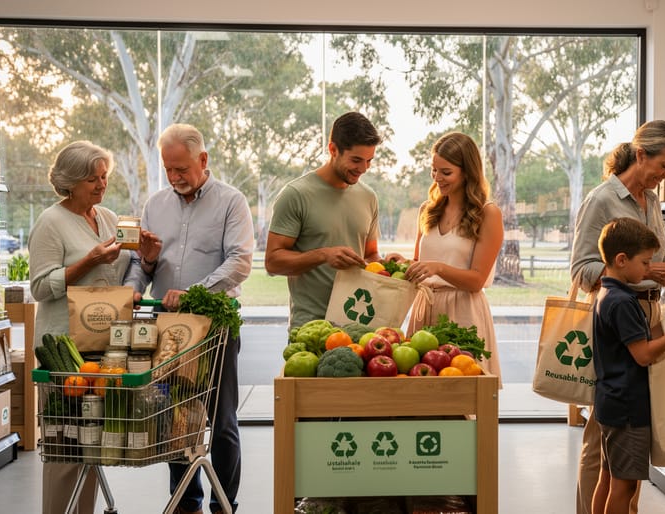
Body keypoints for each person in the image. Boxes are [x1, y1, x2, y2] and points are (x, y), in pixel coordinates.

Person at [569, 119, 665, 514]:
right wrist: (649, 271)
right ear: (641, 155)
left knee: (634, 427)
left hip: (649, 315)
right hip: (617, 318)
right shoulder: (602, 199)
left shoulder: (651, 201)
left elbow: (647, 261)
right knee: (603, 433)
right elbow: (583, 270)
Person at [124, 123, 253, 514]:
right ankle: (186, 501)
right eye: (169, 170)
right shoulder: (155, 206)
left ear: (203, 160)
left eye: (182, 169)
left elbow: (240, 262)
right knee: (175, 418)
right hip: (169, 330)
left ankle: (223, 503)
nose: (175, 177)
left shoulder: (232, 202)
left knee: (222, 420)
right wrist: (136, 278)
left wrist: (196, 293)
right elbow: (141, 264)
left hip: (214, 328)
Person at [29, 140, 159, 514]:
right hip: (63, 352)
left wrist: (147, 259)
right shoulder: (51, 223)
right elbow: (40, 286)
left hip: (100, 348)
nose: (101, 185)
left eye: (104, 177)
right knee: (65, 448)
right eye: (92, 179)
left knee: (90, 443)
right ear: (70, 182)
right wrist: (87, 261)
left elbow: (118, 277)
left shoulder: (107, 218)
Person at [590, 217, 665, 514]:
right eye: (645, 262)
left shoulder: (609, 294)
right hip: (628, 406)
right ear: (622, 259)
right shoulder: (624, 302)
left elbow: (634, 342)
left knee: (608, 476)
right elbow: (643, 355)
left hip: (610, 400)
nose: (649, 269)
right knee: (624, 486)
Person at [264, 112, 383, 328]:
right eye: (356, 160)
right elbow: (273, 263)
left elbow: (370, 255)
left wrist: (388, 265)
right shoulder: (295, 195)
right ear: (333, 149)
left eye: (369, 161)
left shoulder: (368, 197)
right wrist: (323, 255)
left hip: (358, 327)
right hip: (310, 327)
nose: (364, 169)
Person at [404, 132, 503, 381]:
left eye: (445, 172)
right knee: (421, 395)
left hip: (464, 313)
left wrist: (438, 268)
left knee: (463, 397)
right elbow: (420, 265)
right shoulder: (427, 211)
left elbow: (476, 281)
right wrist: (401, 263)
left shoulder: (488, 214)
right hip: (425, 309)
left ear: (467, 172)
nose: (437, 178)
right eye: (433, 171)